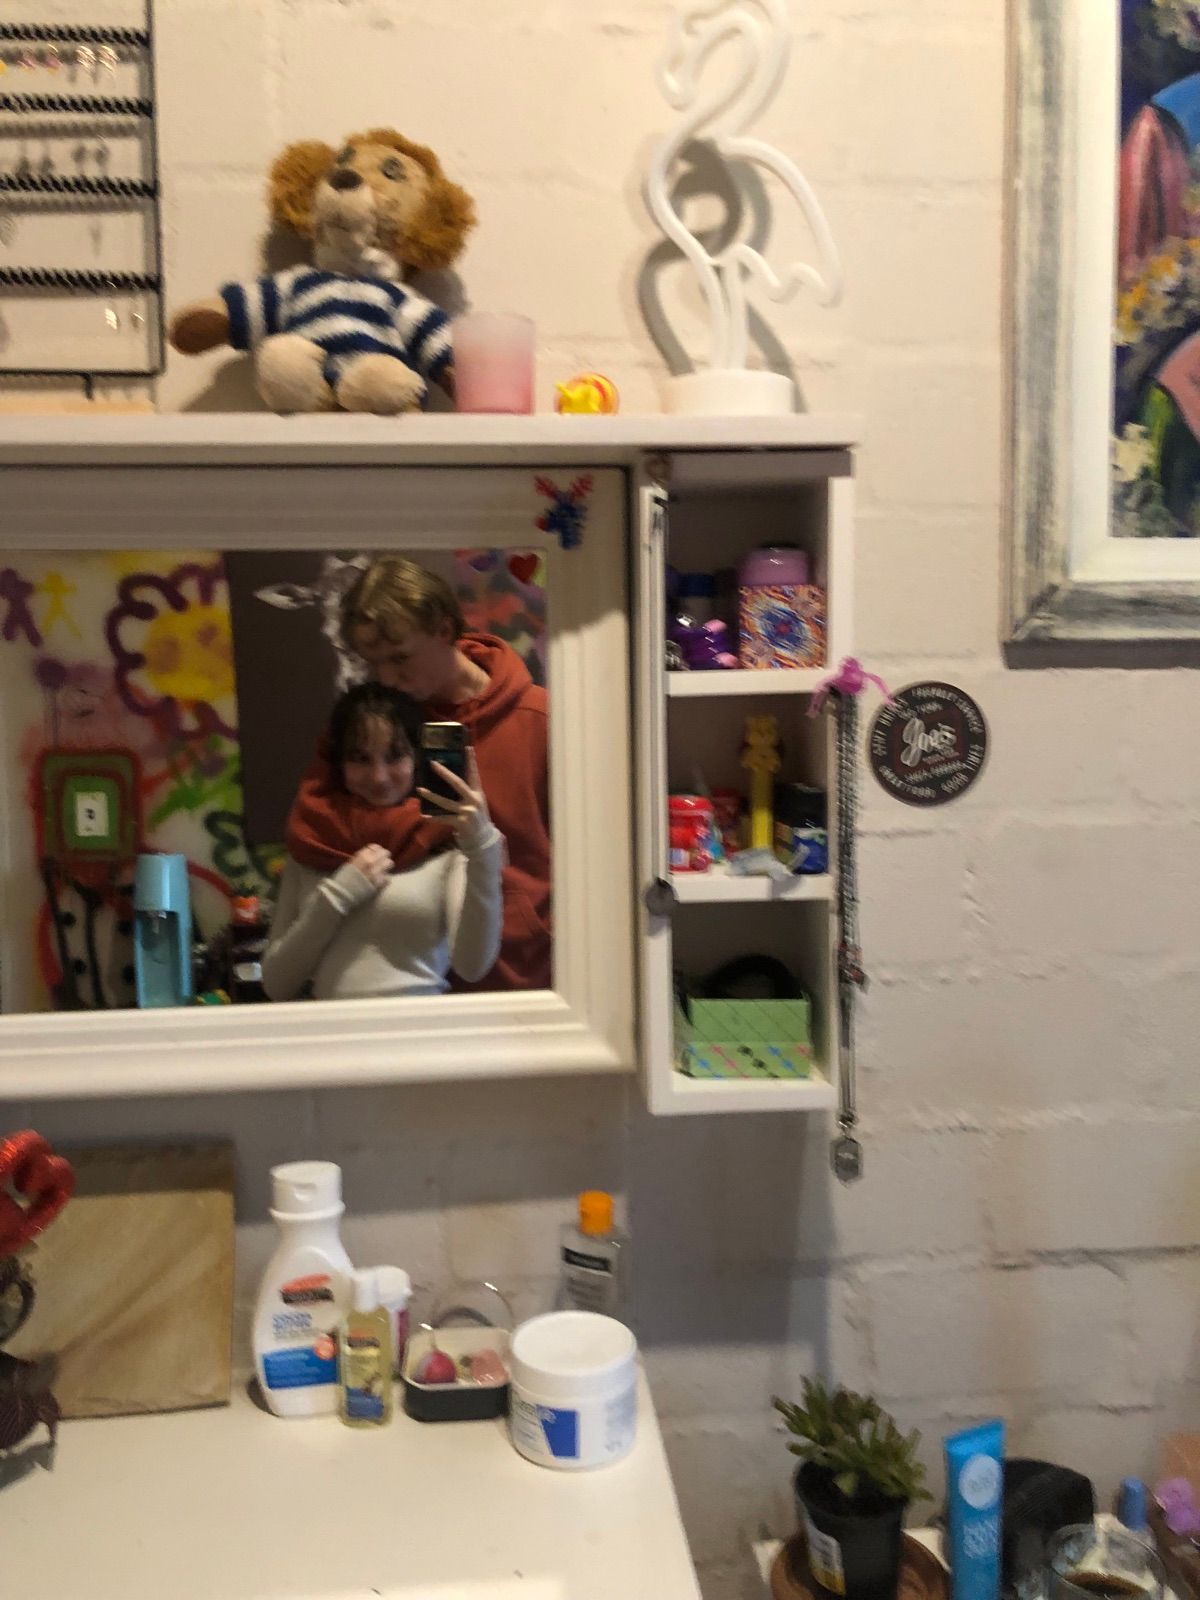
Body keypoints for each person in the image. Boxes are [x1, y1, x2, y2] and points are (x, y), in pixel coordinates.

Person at [295, 556, 551, 990]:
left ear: (444, 630)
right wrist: (424, 831)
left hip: (528, 972)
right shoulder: (376, 725)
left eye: (400, 657)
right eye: (373, 663)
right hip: (413, 976)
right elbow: (316, 827)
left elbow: (589, 857)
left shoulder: (537, 718)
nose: (387, 678)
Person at [262, 683, 504, 1001]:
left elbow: (472, 967)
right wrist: (337, 896)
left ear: (417, 758)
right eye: (360, 758)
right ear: (338, 764)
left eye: (394, 756)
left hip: (423, 1029)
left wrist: (481, 847)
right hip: (334, 1030)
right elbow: (276, 984)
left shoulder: (444, 841)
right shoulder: (311, 841)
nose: (379, 776)